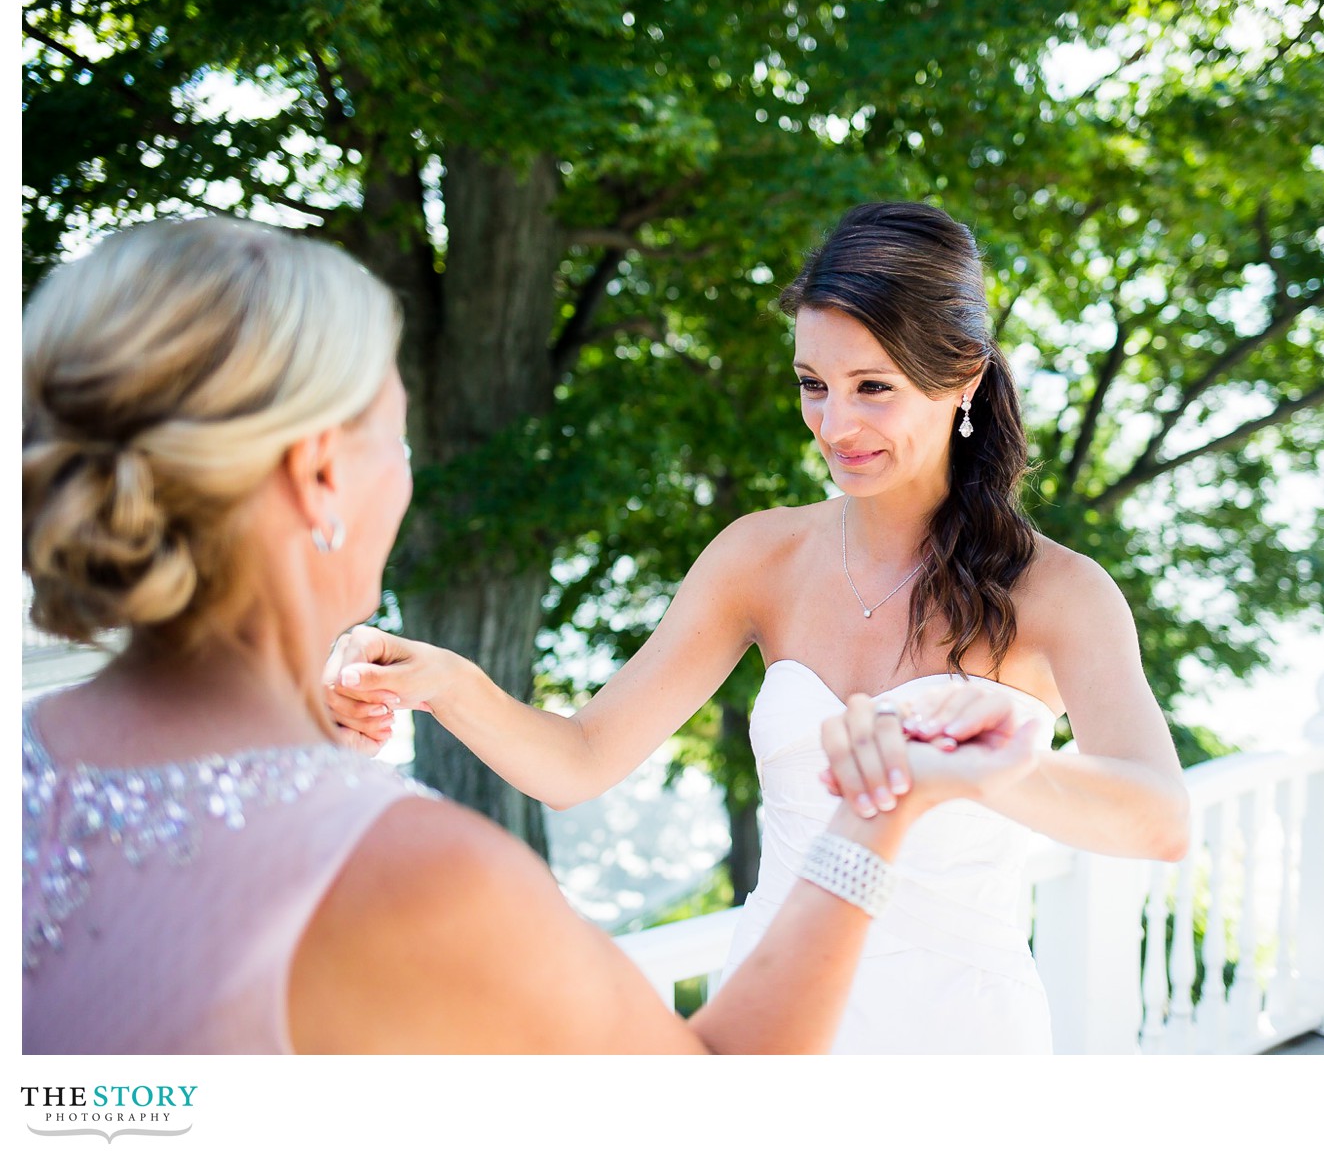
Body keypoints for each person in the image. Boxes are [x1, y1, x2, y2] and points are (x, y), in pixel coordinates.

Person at [20, 215, 1042, 1055]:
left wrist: (379, 717)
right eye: (398, 427)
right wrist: (876, 813)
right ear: (320, 474)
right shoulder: (426, 872)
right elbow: (721, 1099)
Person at [327, 201, 1191, 1054]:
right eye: (813, 384)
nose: (834, 424)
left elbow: (1161, 819)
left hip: (959, 1040)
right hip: (771, 1032)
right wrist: (448, 684)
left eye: (873, 388)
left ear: (963, 377)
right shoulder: (759, 556)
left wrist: (982, 769)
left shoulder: (1061, 592)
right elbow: (579, 759)